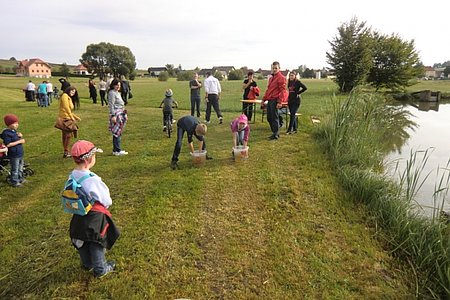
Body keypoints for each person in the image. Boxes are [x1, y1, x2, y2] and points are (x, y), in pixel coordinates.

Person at [67, 140, 120, 278]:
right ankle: (100, 268)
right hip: (94, 215)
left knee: (82, 237)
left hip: (79, 213)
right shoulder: (92, 179)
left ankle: (87, 263)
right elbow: (104, 198)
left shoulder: (73, 175)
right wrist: (107, 204)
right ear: (89, 159)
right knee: (96, 239)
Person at [262, 61, 287, 140]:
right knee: (269, 117)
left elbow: (283, 91)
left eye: (276, 68)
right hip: (270, 99)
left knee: (274, 117)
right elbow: (268, 90)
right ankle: (275, 132)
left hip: (275, 99)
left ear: (279, 68)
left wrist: (280, 101)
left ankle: (276, 134)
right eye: (273, 68)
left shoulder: (281, 78)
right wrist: (264, 99)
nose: (274, 69)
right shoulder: (271, 78)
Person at [1, 114, 26, 187]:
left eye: (17, 123)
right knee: (15, 168)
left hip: (19, 153)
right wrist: (19, 141)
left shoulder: (13, 131)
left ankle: (21, 178)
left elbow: (15, 137)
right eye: (14, 123)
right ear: (9, 124)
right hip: (14, 154)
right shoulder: (6, 133)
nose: (17, 125)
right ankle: (14, 181)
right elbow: (8, 144)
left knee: (21, 167)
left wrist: (19, 136)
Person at [57, 86, 81, 158]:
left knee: (66, 135)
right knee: (68, 135)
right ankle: (66, 151)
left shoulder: (69, 97)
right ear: (68, 90)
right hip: (64, 119)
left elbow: (69, 110)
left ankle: (66, 151)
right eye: (72, 91)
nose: (73, 93)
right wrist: (71, 117)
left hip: (66, 117)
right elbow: (66, 108)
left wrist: (76, 117)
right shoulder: (65, 96)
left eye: (74, 92)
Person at [108, 79, 128, 156]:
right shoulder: (112, 93)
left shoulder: (117, 93)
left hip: (120, 113)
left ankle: (116, 149)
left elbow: (121, 104)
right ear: (113, 85)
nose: (118, 87)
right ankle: (117, 150)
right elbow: (111, 105)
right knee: (116, 133)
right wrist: (113, 115)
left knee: (118, 132)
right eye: (117, 85)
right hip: (116, 114)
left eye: (119, 85)